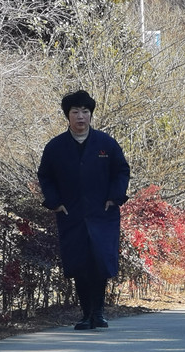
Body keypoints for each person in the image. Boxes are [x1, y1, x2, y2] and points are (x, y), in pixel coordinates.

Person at [37, 90, 130, 330]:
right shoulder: (56, 146)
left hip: (103, 213)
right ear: (67, 116)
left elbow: (121, 171)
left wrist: (114, 197)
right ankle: (86, 314)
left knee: (100, 261)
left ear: (91, 114)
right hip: (71, 214)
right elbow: (45, 176)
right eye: (75, 112)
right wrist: (55, 202)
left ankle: (98, 312)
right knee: (80, 263)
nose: (81, 116)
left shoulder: (106, 144)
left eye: (85, 111)